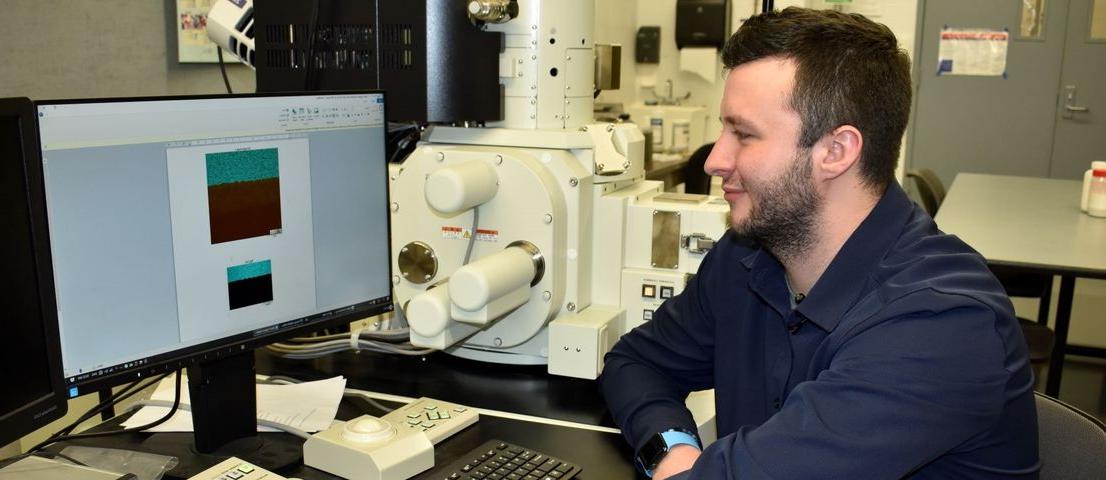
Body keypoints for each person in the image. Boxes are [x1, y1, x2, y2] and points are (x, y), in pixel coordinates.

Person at [598, 7, 1039, 479]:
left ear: (836, 151)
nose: (715, 160)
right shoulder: (748, 256)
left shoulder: (940, 325)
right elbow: (635, 362)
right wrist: (672, 449)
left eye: (743, 134)